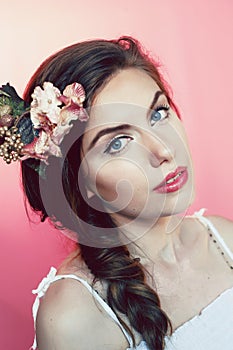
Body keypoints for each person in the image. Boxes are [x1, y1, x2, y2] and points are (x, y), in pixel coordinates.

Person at [0, 37, 233, 350]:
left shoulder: (224, 239)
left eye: (159, 114)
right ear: (82, 185)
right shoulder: (73, 317)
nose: (164, 149)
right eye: (117, 143)